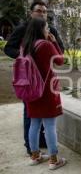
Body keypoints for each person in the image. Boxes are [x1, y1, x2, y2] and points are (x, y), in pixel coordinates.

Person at [4, 1, 64, 156]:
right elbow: (59, 58)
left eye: (44, 11)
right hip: (33, 81)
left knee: (35, 119)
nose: (42, 14)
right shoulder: (23, 30)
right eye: (38, 11)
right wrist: (26, 60)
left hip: (33, 82)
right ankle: (41, 152)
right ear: (31, 13)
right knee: (36, 119)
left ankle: (37, 150)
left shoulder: (49, 31)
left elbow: (60, 49)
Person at [21, 17, 66, 169]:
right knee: (50, 125)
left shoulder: (25, 46)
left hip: (30, 90)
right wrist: (54, 42)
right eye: (46, 28)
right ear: (41, 30)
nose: (48, 31)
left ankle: (35, 156)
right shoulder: (46, 45)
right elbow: (60, 60)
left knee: (34, 123)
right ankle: (54, 160)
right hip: (46, 91)